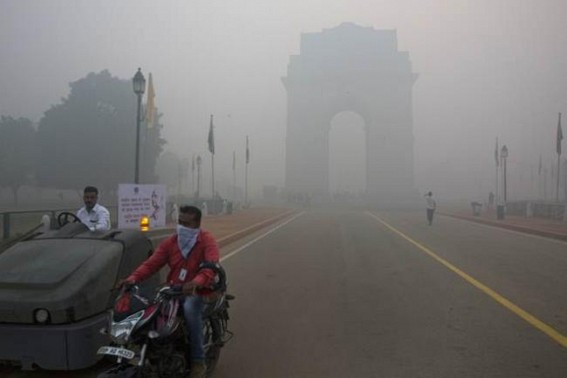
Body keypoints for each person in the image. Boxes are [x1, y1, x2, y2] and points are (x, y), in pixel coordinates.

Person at [117, 205, 219, 378]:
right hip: (173, 288)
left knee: (190, 311)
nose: (181, 227)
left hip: (198, 291)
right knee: (151, 310)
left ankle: (198, 361)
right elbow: (151, 264)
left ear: (196, 224)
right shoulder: (171, 242)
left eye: (186, 223)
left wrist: (196, 282)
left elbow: (211, 267)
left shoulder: (207, 240)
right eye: (179, 222)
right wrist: (133, 278)